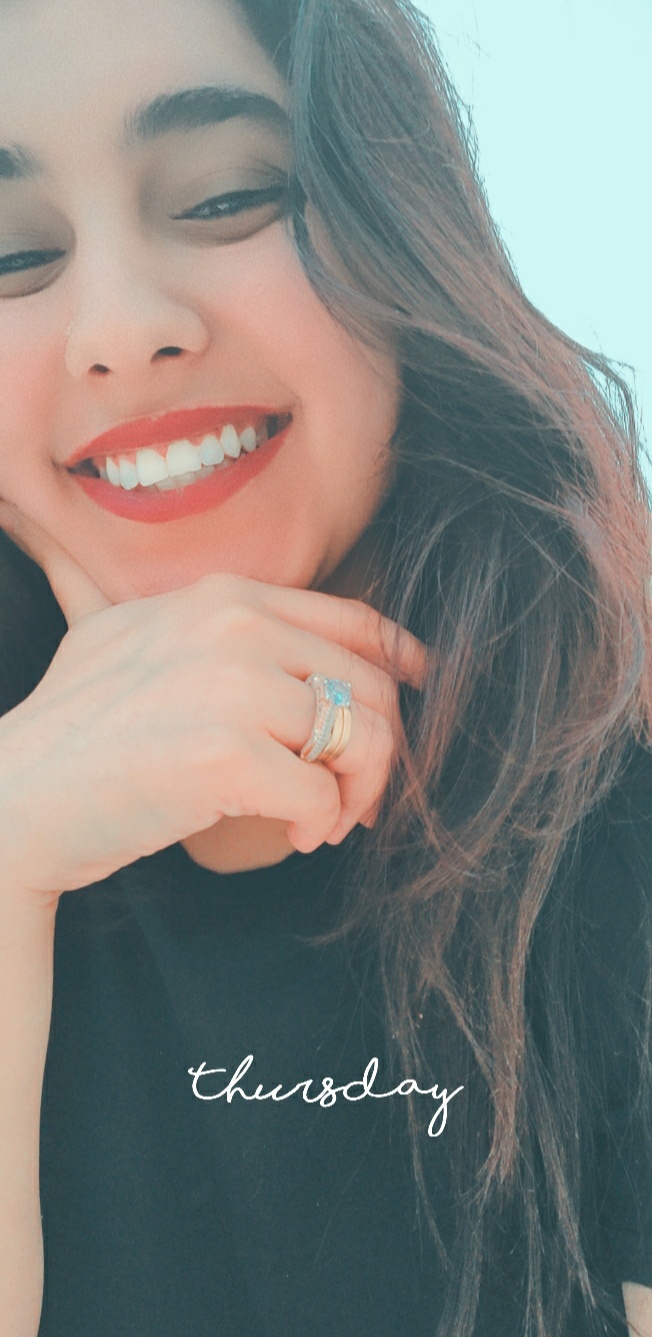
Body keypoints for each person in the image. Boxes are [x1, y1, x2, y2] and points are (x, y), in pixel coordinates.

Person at [0, 0, 650, 1333]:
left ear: (397, 220)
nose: (121, 327)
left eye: (226, 197)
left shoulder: (621, 787)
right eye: (12, 256)